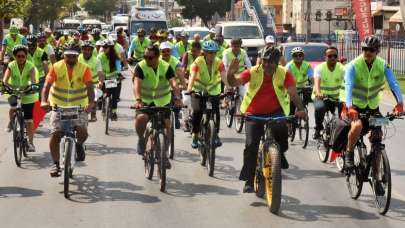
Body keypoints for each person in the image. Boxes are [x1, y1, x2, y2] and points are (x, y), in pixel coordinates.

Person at [226, 46, 307, 192]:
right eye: (265, 61)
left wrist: (301, 109)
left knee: (282, 129)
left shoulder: (284, 73)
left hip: (276, 111)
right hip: (253, 112)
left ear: (277, 62)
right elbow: (234, 83)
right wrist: (230, 73)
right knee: (251, 145)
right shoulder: (253, 71)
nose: (267, 64)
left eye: (271, 62)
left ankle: (279, 154)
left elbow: (293, 94)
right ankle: (249, 180)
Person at [343, 35, 403, 171]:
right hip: (355, 106)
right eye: (365, 49)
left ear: (377, 51)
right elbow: (348, 86)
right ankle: (349, 152)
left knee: (378, 137)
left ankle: (376, 177)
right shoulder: (353, 65)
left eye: (371, 49)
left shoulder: (383, 65)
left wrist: (400, 104)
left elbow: (393, 84)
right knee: (357, 126)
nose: (368, 52)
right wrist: (350, 107)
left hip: (373, 107)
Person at [41, 43, 95, 177]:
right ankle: (55, 164)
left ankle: (79, 145)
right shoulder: (56, 67)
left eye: (73, 56)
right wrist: (43, 101)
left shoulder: (85, 68)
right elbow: (46, 86)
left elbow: (90, 87)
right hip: (58, 105)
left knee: (82, 131)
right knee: (55, 134)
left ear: (77, 56)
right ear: (63, 55)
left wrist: (91, 103)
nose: (70, 58)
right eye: (68, 55)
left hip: (79, 106)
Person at [133, 45, 182, 169]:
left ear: (157, 57)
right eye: (145, 57)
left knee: (168, 127)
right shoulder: (140, 66)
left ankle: (164, 155)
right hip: (145, 101)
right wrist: (138, 100)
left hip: (163, 101)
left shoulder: (166, 67)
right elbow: (137, 84)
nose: (147, 60)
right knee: (141, 119)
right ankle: (140, 139)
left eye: (150, 58)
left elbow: (174, 84)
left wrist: (177, 98)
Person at [186, 40, 226, 148]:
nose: (212, 55)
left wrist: (228, 86)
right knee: (198, 111)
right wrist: (189, 88)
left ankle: (216, 134)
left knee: (216, 111)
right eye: (209, 52)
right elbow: (193, 76)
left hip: (213, 90)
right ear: (204, 52)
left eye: (214, 52)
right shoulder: (197, 62)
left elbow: (223, 76)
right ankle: (195, 136)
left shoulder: (219, 62)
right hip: (197, 89)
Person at [3, 45, 39, 152]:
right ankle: (10, 122)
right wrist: (4, 86)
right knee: (13, 107)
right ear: (15, 56)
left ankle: (31, 143)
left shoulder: (30, 66)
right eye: (18, 56)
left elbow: (33, 81)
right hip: (13, 91)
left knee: (28, 120)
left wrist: (32, 87)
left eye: (23, 56)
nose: (21, 58)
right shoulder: (11, 65)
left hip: (28, 93)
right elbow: (5, 79)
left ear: (26, 56)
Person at [312, 46, 344, 139]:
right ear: (325, 57)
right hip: (321, 97)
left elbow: (348, 82)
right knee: (320, 108)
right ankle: (318, 129)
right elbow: (317, 81)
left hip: (336, 98)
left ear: (337, 57)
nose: (332, 58)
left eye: (335, 56)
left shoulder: (342, 68)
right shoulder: (319, 68)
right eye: (330, 56)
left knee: (344, 115)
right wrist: (318, 92)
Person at [160, 42, 187, 129]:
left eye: (168, 51)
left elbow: (180, 74)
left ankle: (176, 116)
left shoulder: (175, 61)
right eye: (163, 51)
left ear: (171, 51)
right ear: (160, 52)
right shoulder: (156, 60)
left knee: (177, 100)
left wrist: (183, 85)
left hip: (174, 84)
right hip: (161, 86)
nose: (165, 53)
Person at [79, 40, 104, 121]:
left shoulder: (96, 60)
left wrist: (100, 82)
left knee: (95, 96)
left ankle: (93, 114)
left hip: (94, 83)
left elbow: (100, 73)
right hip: (80, 82)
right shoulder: (78, 58)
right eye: (84, 49)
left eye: (89, 49)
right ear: (82, 50)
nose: (86, 51)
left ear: (92, 50)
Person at [97, 40, 121, 121]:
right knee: (100, 90)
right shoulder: (99, 56)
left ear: (110, 48)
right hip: (103, 77)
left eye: (106, 47)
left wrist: (117, 74)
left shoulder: (116, 56)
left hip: (113, 78)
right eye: (103, 47)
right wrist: (101, 77)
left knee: (115, 95)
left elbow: (118, 69)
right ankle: (101, 103)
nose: (104, 49)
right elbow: (98, 68)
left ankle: (114, 112)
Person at [286, 47, 314, 115]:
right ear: (292, 57)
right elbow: (286, 80)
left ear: (303, 56)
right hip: (293, 88)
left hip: (305, 87)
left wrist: (313, 86)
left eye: (300, 55)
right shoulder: (289, 66)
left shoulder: (307, 65)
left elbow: (311, 77)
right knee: (291, 104)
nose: (298, 57)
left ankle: (305, 111)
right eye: (295, 55)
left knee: (312, 100)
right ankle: (291, 119)